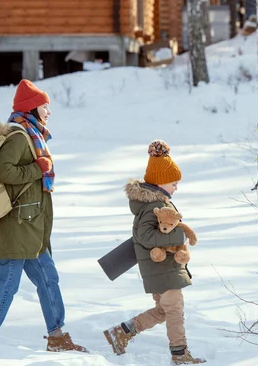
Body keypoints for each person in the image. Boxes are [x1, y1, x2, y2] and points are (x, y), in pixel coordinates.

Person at [0, 79, 86, 352]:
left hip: (30, 226)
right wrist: (38, 168)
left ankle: (57, 336)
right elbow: (3, 171)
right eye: (45, 106)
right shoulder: (19, 136)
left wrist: (37, 167)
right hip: (16, 226)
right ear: (32, 108)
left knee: (48, 277)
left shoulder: (31, 135)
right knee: (7, 282)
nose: (49, 111)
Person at [103, 140, 205, 365]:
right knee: (175, 309)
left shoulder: (158, 202)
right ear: (161, 182)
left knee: (163, 311)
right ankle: (180, 354)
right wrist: (177, 238)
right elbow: (144, 236)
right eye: (174, 183)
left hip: (162, 268)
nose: (176, 187)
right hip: (161, 268)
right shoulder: (152, 206)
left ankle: (122, 332)